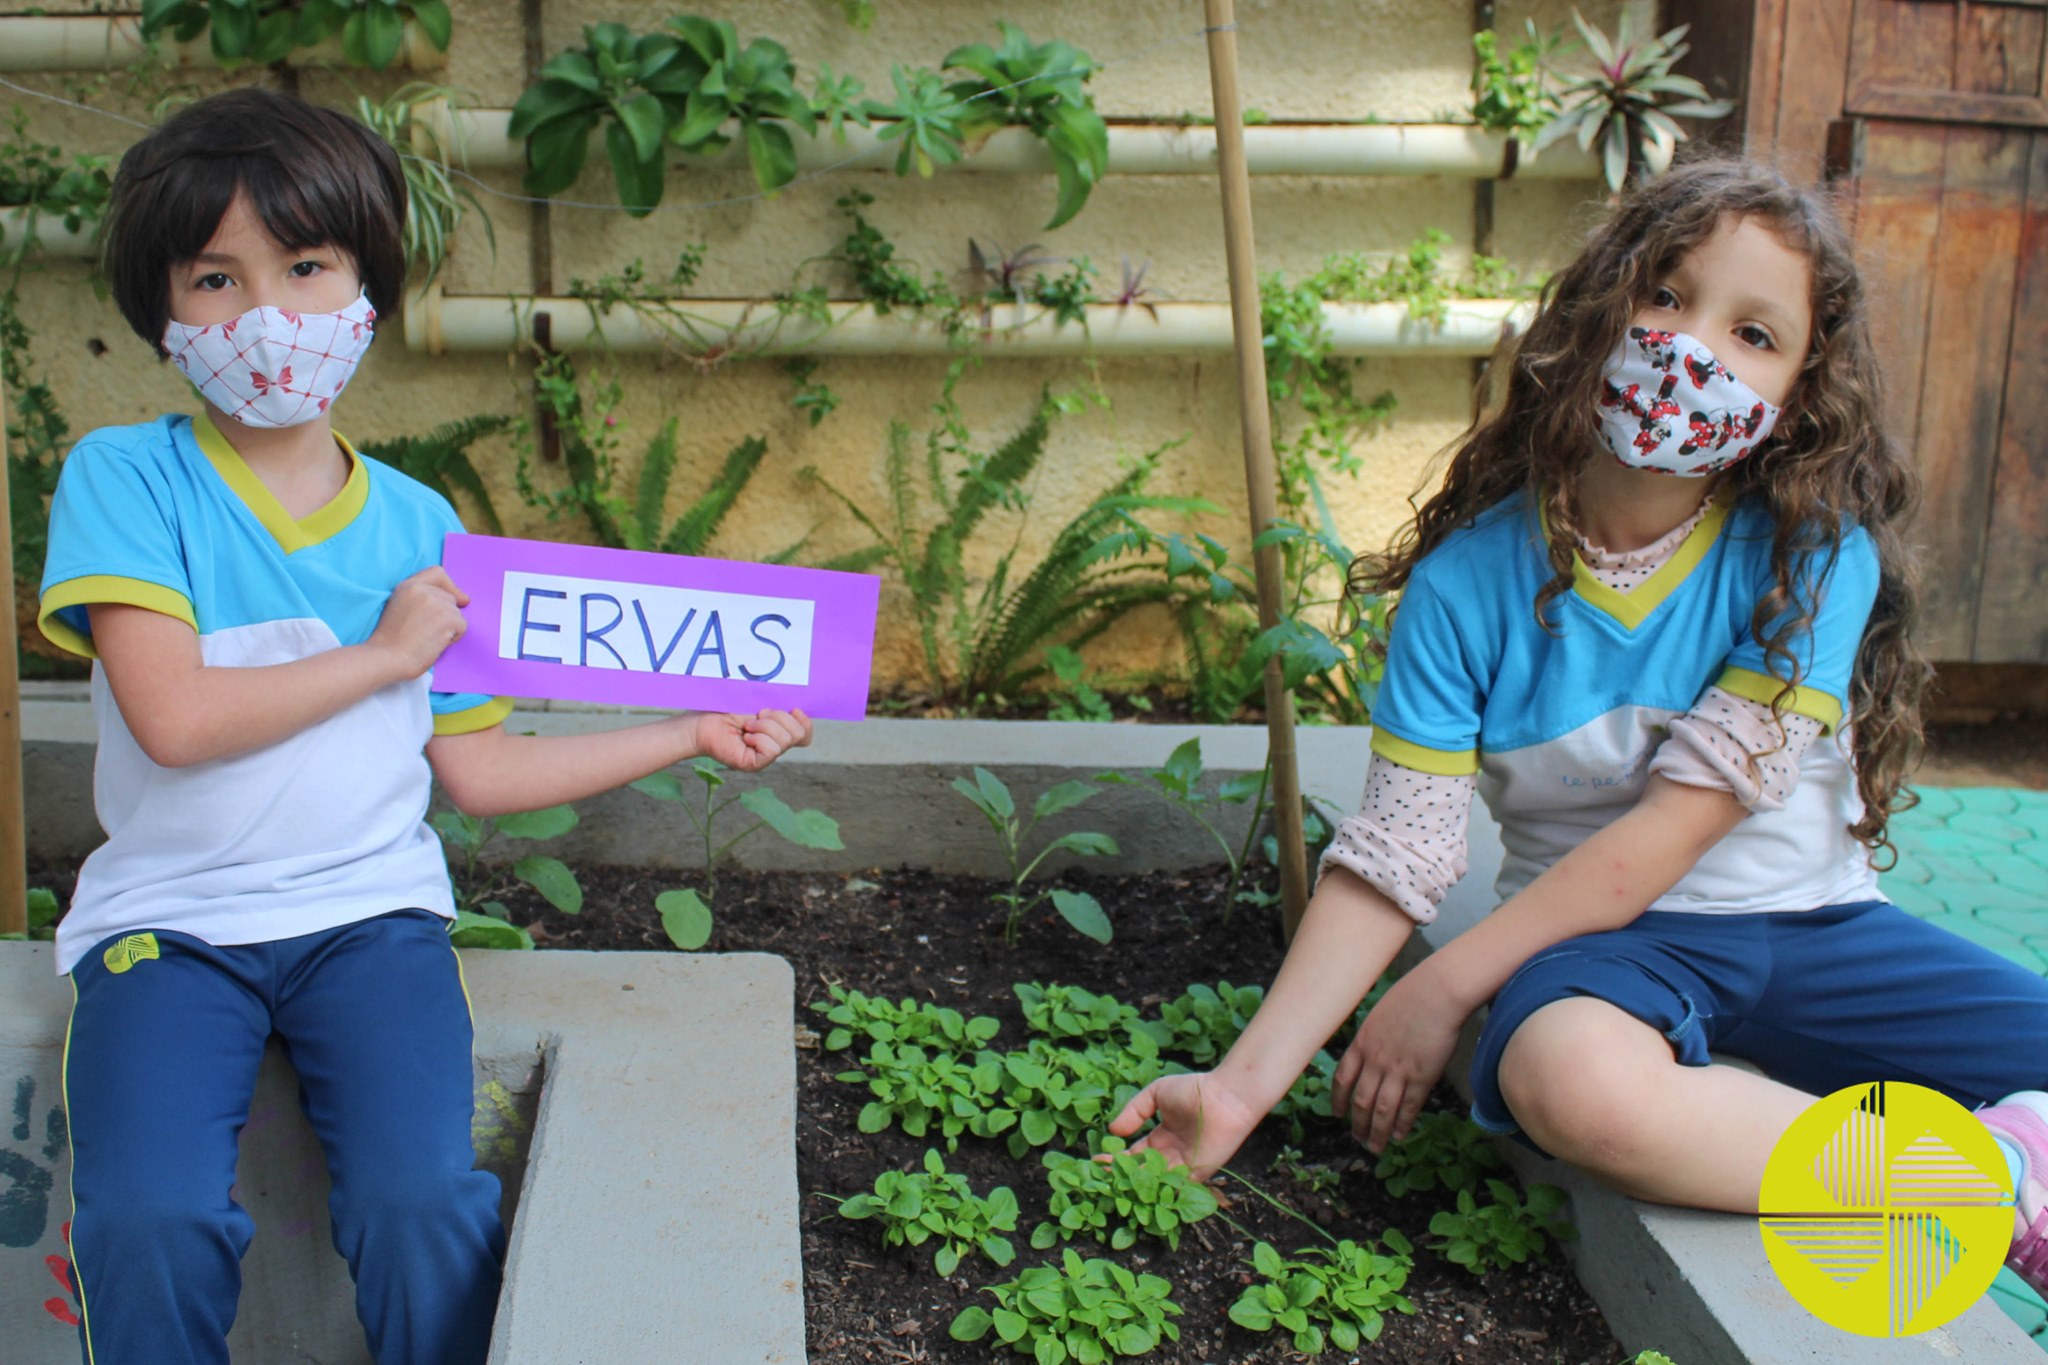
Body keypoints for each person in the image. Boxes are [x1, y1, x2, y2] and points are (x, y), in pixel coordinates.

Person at [1107, 158, 2048, 1297]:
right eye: (1665, 293)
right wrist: (1238, 1087)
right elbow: (1397, 854)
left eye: (1752, 334)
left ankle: (1964, 1158)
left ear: (1797, 396)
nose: (1691, 349)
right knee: (1573, 1087)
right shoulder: (1463, 589)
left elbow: (1674, 828)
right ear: (1591, 310)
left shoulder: (1811, 555)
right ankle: (1982, 1174)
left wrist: (1442, 985)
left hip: (1815, 926)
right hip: (1608, 957)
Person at [35, 88, 813, 1365]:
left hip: (368, 925)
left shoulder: (420, 521)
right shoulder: (128, 477)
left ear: (367, 284)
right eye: (216, 278)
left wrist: (688, 730)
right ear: (162, 309)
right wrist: (382, 654)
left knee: (424, 1205)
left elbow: (480, 771)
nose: (268, 315)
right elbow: (171, 720)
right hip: (169, 932)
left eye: (304, 267)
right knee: (148, 1216)